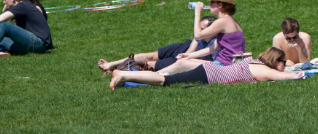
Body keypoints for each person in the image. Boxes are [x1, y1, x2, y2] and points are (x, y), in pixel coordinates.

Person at [109, 46, 304, 89]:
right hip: (209, 74)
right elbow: (286, 77)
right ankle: (123, 75)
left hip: (210, 71)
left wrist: (288, 65)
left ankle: (126, 75)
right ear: (276, 61)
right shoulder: (265, 70)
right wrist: (300, 73)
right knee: (164, 81)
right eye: (283, 61)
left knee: (168, 78)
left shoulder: (256, 62)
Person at [96, 16, 219, 73]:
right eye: (199, 28)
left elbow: (194, 59)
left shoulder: (215, 44)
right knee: (150, 55)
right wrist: (187, 50)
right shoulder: (200, 36)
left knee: (149, 65)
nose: (199, 31)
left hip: (187, 59)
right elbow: (190, 49)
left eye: (202, 29)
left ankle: (118, 71)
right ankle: (112, 64)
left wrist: (182, 60)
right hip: (184, 48)